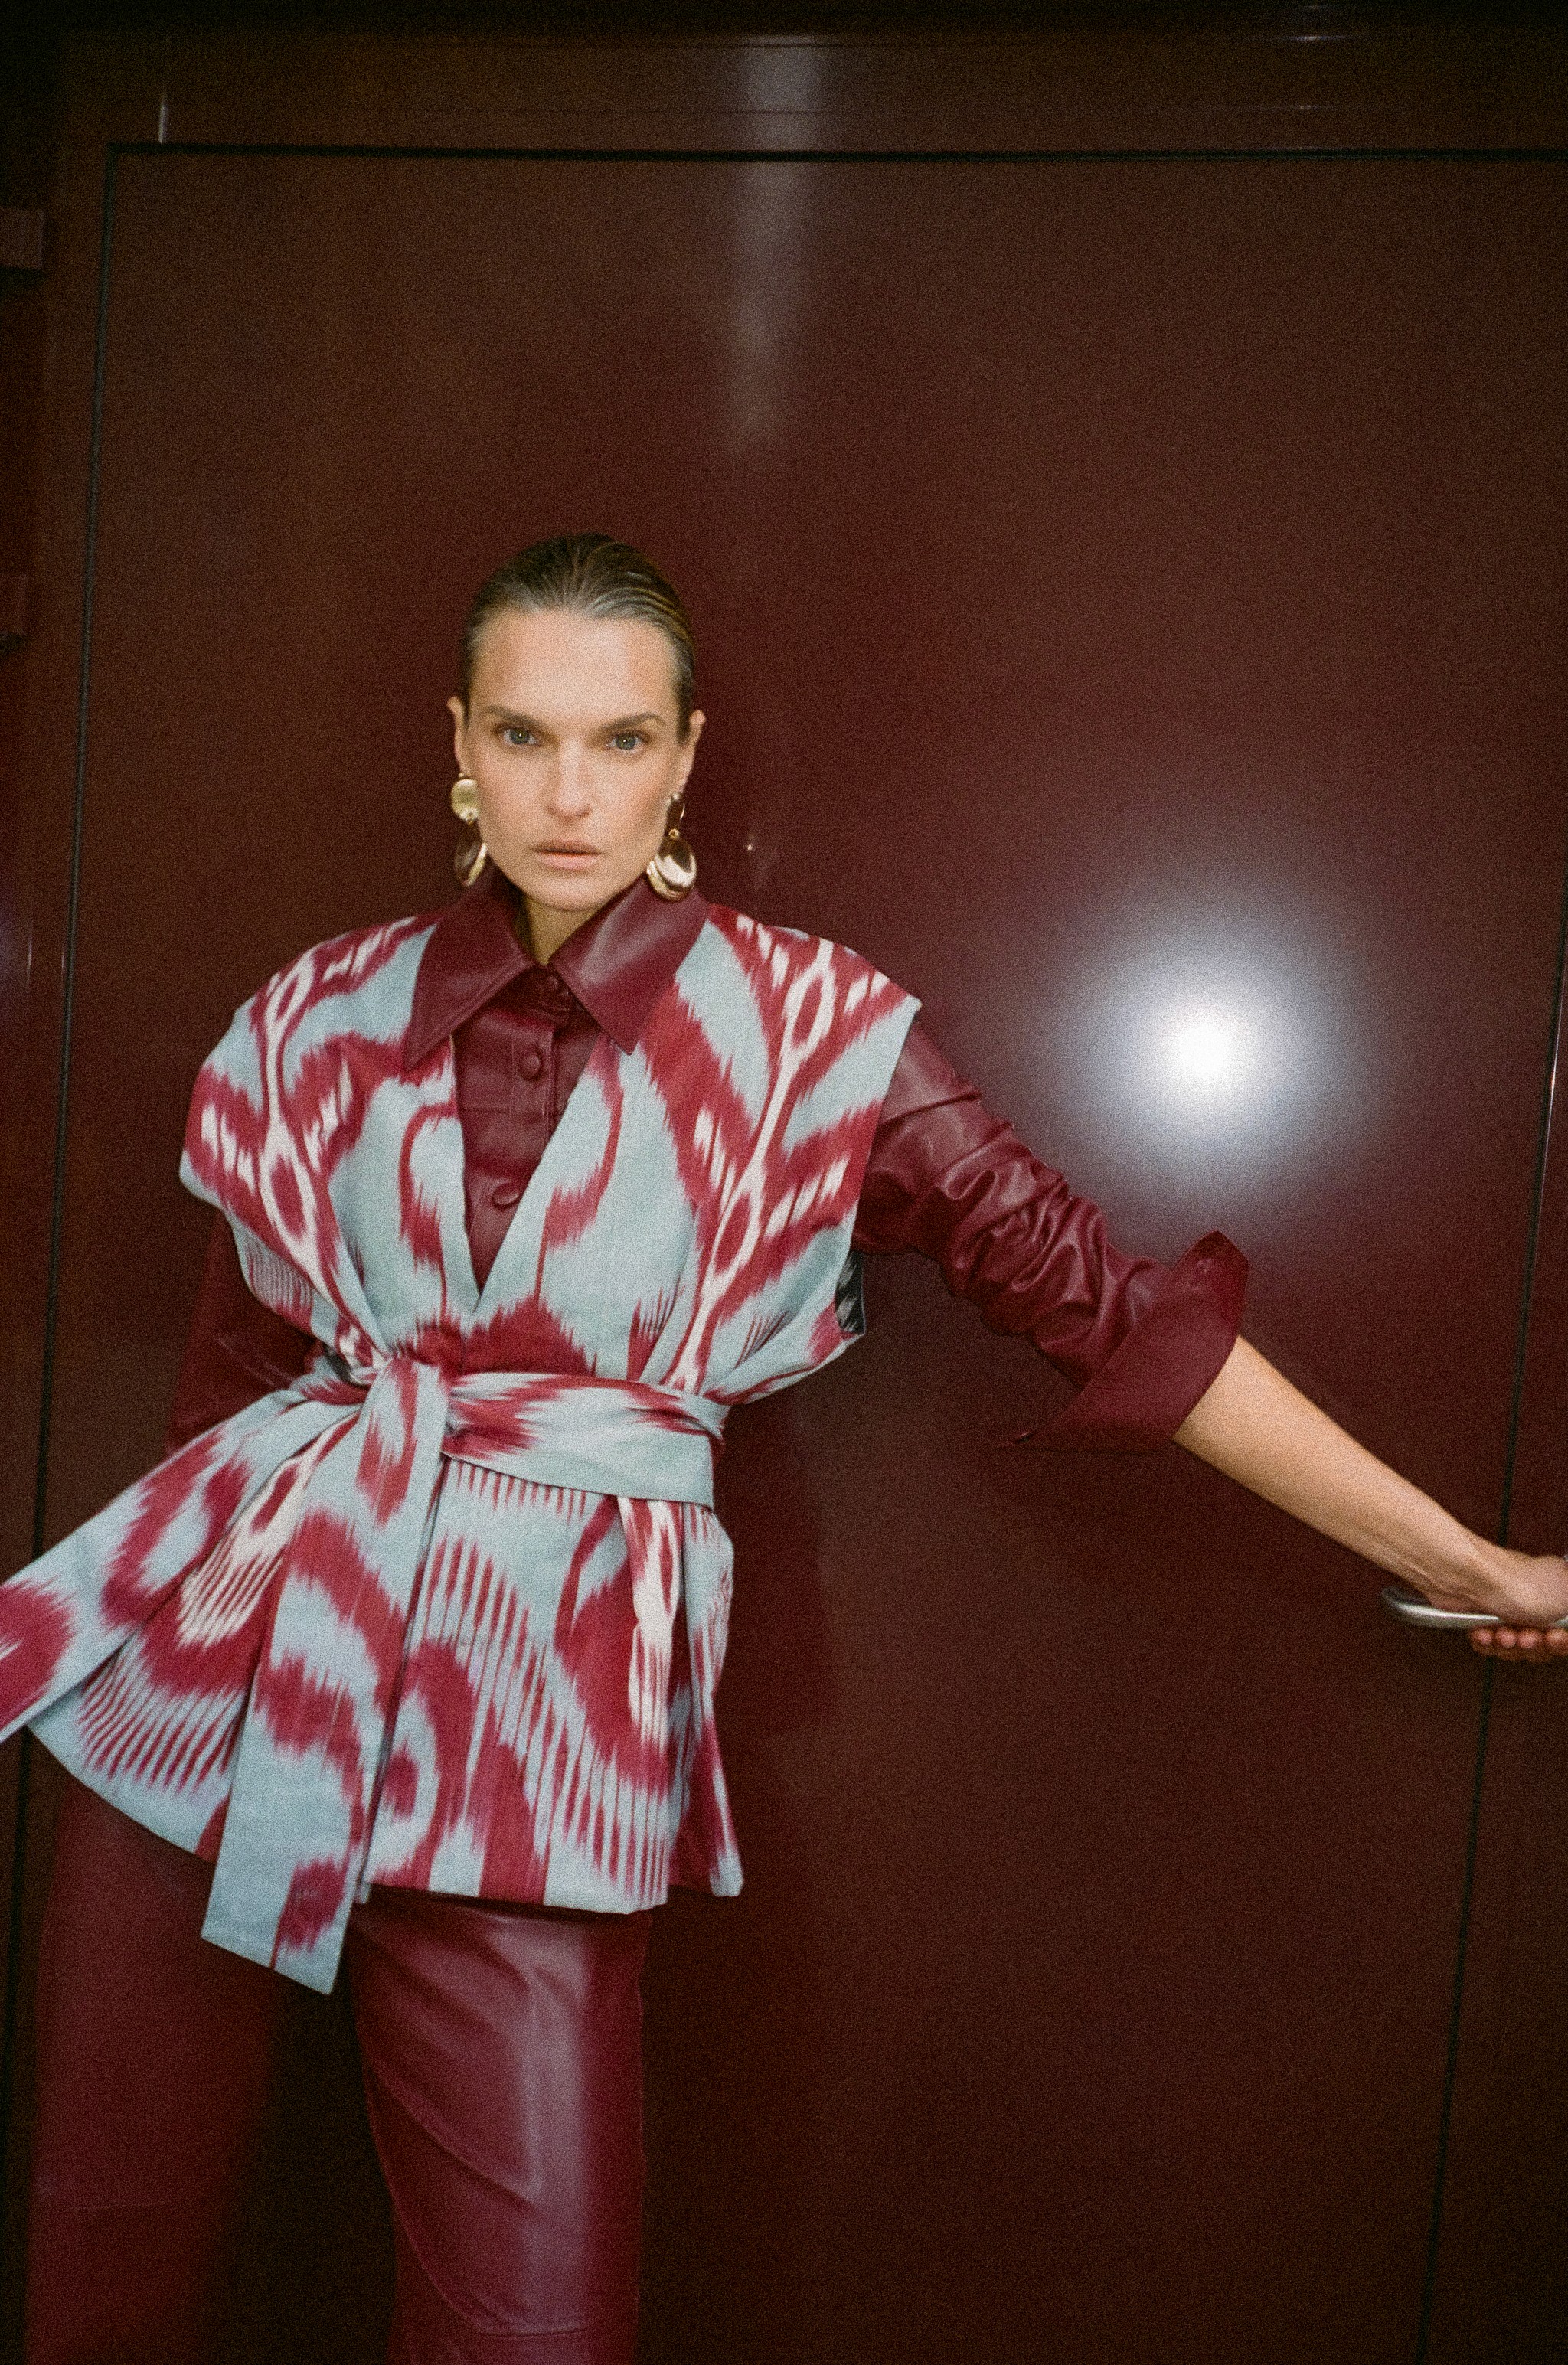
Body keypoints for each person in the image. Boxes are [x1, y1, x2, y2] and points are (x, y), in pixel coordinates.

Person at [6, 534, 1566, 2365]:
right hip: (205, 1693)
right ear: (459, 745)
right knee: (105, 2248)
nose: (567, 792)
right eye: (522, 735)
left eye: (617, 739)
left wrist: (1465, 1562)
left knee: (532, 2324)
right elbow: (228, 1392)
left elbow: (1105, 1305)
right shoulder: (316, 1011)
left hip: (539, 1729)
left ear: (684, 755)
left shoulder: (824, 1038)